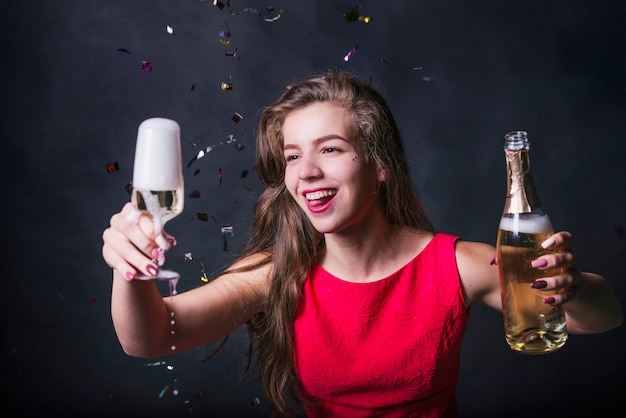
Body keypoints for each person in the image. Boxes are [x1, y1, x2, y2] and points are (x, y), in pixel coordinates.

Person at [102, 70, 623, 417]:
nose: (307, 173)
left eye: (330, 149)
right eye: (291, 156)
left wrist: (571, 287)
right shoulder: (277, 271)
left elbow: (601, 317)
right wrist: (132, 270)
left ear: (378, 167)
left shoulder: (456, 263)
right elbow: (149, 338)